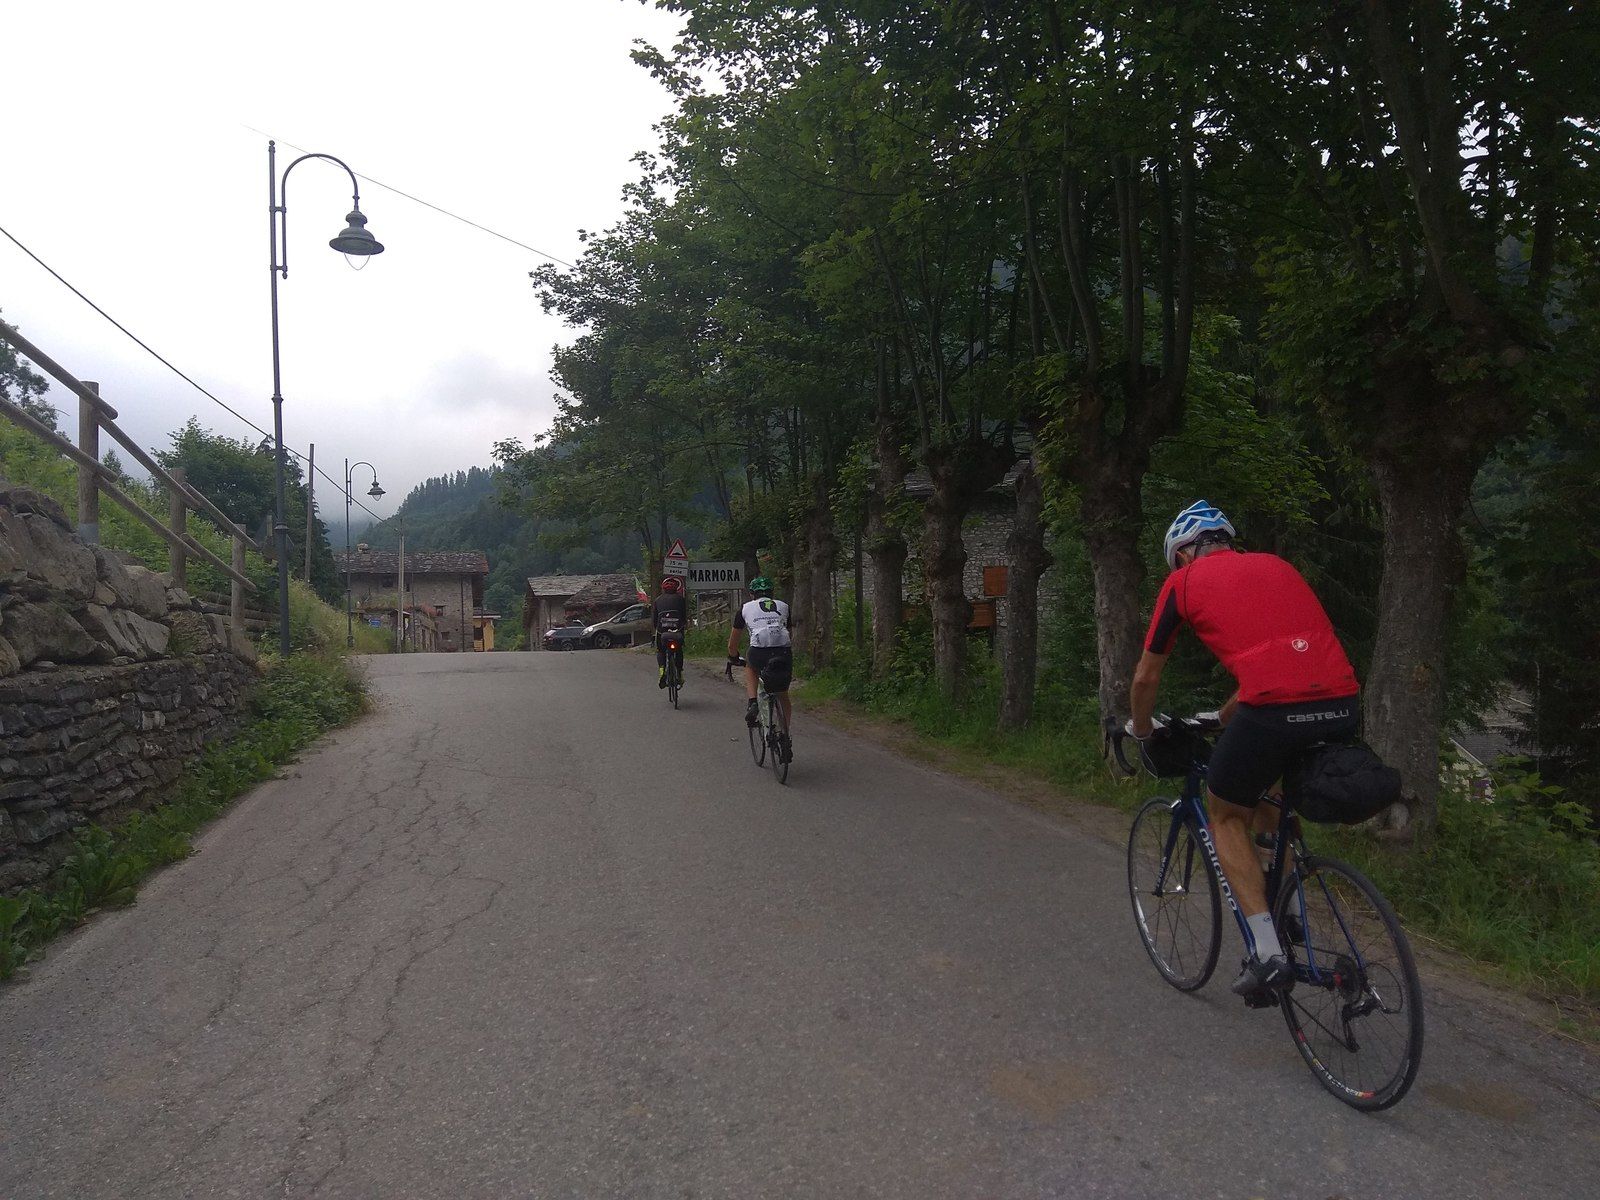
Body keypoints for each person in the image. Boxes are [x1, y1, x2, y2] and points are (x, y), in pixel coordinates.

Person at [1128, 501, 1360, 998]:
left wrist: (1143, 730)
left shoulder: (1182, 584)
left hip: (1274, 711)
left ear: (1184, 554)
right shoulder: (1278, 565)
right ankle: (1291, 915)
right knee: (1269, 802)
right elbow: (1279, 660)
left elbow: (1146, 677)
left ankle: (1269, 954)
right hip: (1340, 700)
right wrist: (1225, 716)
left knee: (1225, 814)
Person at [726, 576, 793, 761]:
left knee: (750, 666)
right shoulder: (783, 605)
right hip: (783, 652)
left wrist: (732, 656)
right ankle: (785, 736)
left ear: (751, 594)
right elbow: (788, 631)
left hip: (759, 651)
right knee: (782, 694)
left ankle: (753, 701)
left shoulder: (745, 608)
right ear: (772, 593)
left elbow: (733, 642)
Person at [652, 576, 688, 688]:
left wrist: (657, 629)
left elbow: (654, 620)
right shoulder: (681, 599)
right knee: (679, 650)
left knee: (660, 650)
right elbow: (684, 618)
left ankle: (662, 670)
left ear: (663, 588)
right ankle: (680, 673)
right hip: (677, 632)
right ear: (676, 589)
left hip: (662, 633)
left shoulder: (657, 600)